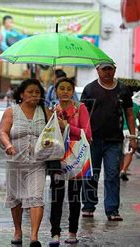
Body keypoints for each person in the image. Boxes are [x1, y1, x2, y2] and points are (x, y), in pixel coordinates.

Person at [80, 61, 137, 221]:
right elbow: (82, 114)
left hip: (114, 140)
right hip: (93, 140)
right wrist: (83, 135)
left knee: (112, 174)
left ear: (114, 70)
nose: (107, 72)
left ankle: (112, 209)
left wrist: (133, 137)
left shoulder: (123, 90)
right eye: (104, 69)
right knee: (91, 174)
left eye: (110, 69)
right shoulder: (90, 89)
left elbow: (130, 114)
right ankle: (88, 206)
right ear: (98, 71)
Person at [0, 79, 48, 247]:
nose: (34, 95)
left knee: (36, 197)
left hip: (38, 163)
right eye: (30, 92)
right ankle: (18, 230)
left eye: (37, 92)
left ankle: (34, 237)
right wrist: (8, 145)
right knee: (16, 199)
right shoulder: (11, 111)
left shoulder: (45, 111)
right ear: (21, 94)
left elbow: (59, 129)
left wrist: (59, 117)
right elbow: (3, 132)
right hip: (15, 163)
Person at [48, 78, 91, 245]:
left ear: (73, 91)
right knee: (56, 196)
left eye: (68, 88)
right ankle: (55, 234)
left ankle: (72, 232)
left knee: (74, 196)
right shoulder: (53, 110)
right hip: (57, 157)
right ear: (56, 91)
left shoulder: (81, 109)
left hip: (76, 157)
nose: (65, 91)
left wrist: (66, 126)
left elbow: (87, 134)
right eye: (61, 88)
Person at [120, 101, 140, 181]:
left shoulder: (120, 103)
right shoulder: (135, 105)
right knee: (129, 151)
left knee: (121, 152)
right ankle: (124, 170)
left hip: (121, 129)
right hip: (132, 130)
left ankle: (120, 169)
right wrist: (139, 128)